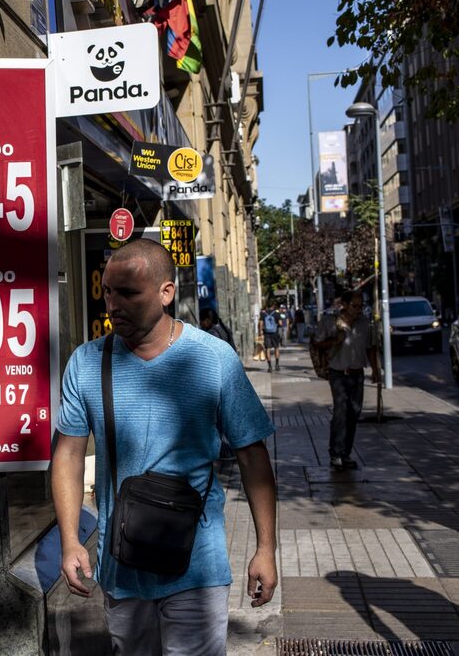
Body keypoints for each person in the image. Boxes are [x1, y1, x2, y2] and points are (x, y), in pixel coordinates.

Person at [52, 239, 277, 655]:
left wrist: (266, 548)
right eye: (108, 292)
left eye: (129, 293)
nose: (113, 305)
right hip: (121, 562)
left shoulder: (213, 358)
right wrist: (69, 540)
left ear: (166, 292)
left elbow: (252, 456)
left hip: (197, 564)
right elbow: (67, 455)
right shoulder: (87, 362)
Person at [312, 290, 380, 470]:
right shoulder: (330, 322)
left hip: (357, 374)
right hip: (338, 373)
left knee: (354, 412)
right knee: (341, 412)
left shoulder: (364, 323)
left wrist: (375, 370)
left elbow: (371, 347)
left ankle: (346, 453)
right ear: (344, 304)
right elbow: (317, 343)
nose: (358, 310)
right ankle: (336, 453)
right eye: (354, 306)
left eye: (361, 306)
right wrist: (335, 340)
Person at [259, 303, 281, 371]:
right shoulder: (276, 313)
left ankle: (270, 367)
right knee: (276, 348)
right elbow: (280, 323)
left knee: (268, 349)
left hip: (266, 333)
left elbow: (261, 324)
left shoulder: (263, 313)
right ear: (273, 306)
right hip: (275, 333)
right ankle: (277, 365)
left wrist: (260, 332)